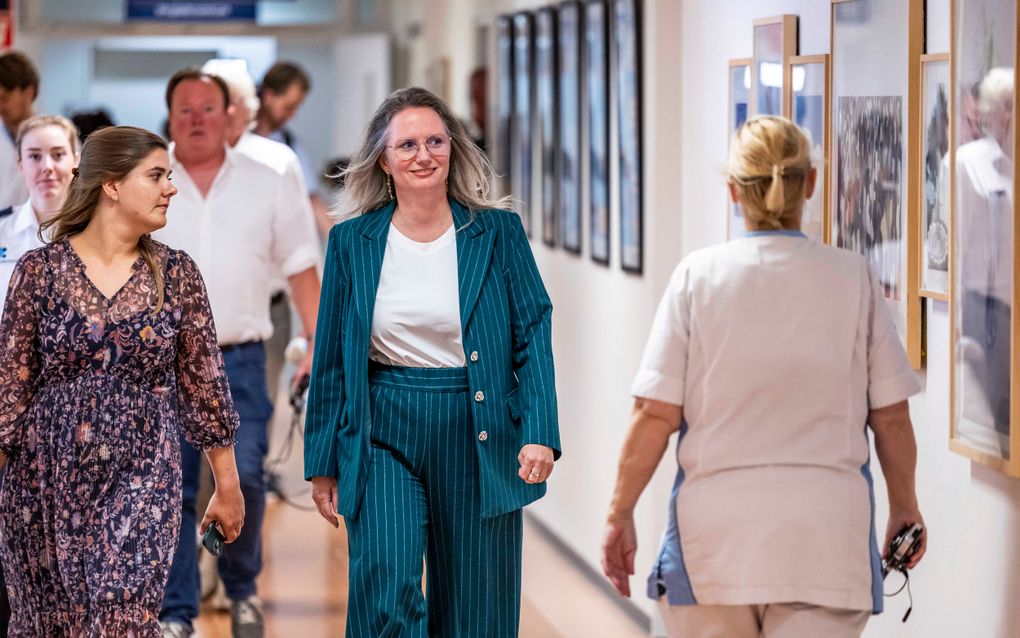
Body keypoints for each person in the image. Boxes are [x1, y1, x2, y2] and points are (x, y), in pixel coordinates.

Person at [601, 115, 926, 637]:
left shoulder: (696, 278)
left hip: (716, 542)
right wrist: (905, 509)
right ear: (811, 184)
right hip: (826, 541)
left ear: (733, 189)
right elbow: (891, 416)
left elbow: (654, 414)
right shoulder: (854, 277)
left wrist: (620, 512)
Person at [304, 86, 561, 637]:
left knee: (477, 607)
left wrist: (540, 431)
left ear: (453, 148)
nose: (424, 155)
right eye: (408, 145)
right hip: (382, 426)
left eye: (435, 141)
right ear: (384, 159)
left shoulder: (497, 232)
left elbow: (533, 331)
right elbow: (329, 357)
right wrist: (322, 460)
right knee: (387, 586)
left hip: (478, 426)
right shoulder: (352, 242)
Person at [0, 125, 244, 636]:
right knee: (51, 625)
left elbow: (205, 386)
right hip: (42, 483)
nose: (170, 188)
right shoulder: (38, 272)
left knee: (122, 618)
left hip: (144, 474)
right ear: (111, 185)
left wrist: (228, 485)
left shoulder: (175, 275)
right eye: (156, 175)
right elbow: (10, 393)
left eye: (169, 176)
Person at [155, 69, 321, 638]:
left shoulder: (268, 175)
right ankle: (177, 611)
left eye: (208, 108)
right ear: (170, 117)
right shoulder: (147, 177)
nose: (197, 118)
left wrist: (315, 343)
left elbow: (301, 262)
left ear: (230, 115)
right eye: (185, 109)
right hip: (160, 363)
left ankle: (242, 588)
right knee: (170, 485)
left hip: (239, 359)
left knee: (246, 475)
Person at [0, 113, 80, 638]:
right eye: (35, 156)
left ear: (77, 161)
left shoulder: (99, 237)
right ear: (20, 164)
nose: (46, 167)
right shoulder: (3, 232)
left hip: (76, 416)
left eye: (57, 154)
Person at [956, 67, 1014, 453]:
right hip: (989, 309)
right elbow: (957, 250)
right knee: (1002, 420)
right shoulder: (968, 162)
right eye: (1003, 107)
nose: (1007, 116)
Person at [253, 61, 331, 236]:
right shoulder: (235, 138)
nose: (292, 115)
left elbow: (312, 199)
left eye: (295, 108)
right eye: (288, 107)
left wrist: (343, 244)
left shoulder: (290, 144)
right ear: (268, 96)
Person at [0, 51, 39, 209]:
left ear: (28, 93)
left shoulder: (58, 139)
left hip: (41, 230)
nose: (0, 106)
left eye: (5, 98)